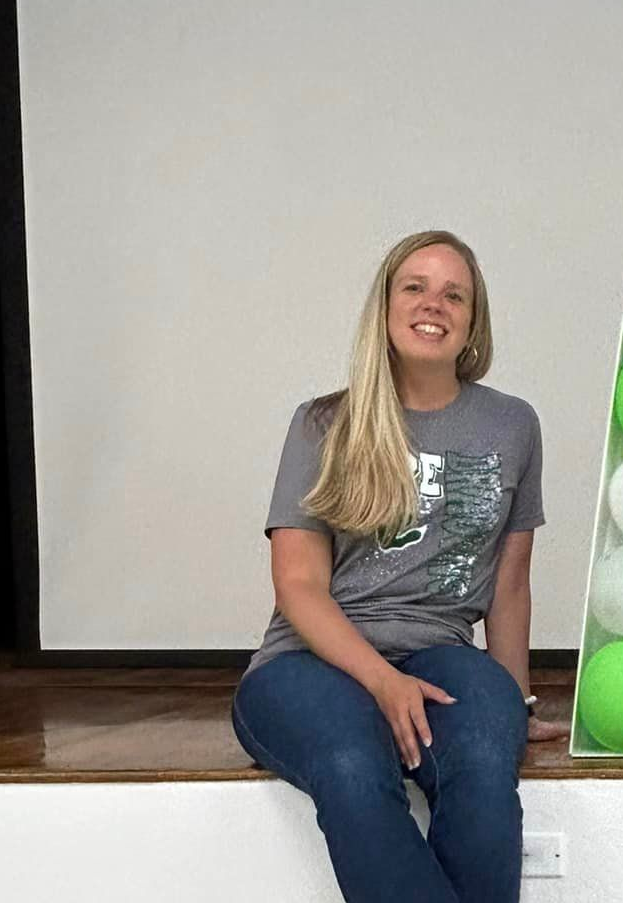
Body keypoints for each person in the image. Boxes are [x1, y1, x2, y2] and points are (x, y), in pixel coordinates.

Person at [233, 230, 568, 903]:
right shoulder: (325, 423)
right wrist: (383, 681)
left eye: (454, 294)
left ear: (473, 322)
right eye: (414, 286)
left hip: (442, 654)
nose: (433, 303)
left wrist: (513, 701)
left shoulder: (511, 425)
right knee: (354, 765)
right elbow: (298, 585)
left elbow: (508, 583)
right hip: (308, 661)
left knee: (481, 758)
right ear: (385, 308)